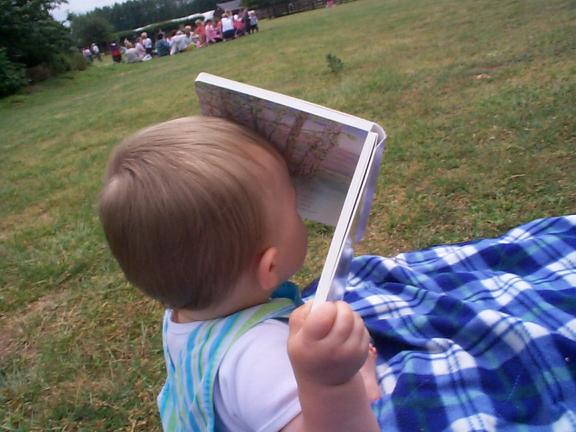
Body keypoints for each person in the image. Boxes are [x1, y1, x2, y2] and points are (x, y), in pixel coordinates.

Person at [98, 117, 380, 431]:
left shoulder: (185, 315)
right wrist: (333, 384)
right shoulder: (260, 359)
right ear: (269, 266)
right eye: (294, 206)